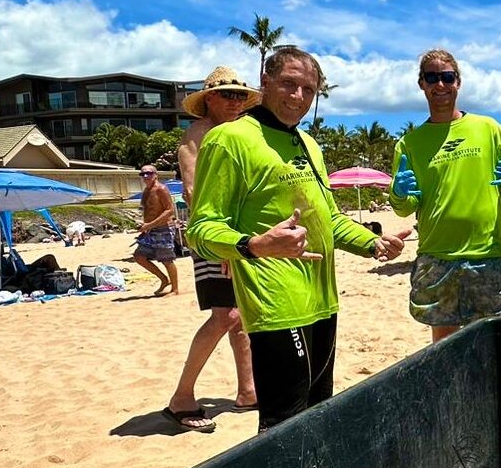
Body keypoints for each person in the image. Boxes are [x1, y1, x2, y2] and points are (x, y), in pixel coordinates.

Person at [186, 46, 407, 432]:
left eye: (309, 89)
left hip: (323, 299)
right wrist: (254, 245)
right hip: (275, 303)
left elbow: (330, 219)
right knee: (283, 425)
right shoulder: (230, 140)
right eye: (288, 84)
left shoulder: (309, 145)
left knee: (319, 413)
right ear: (265, 83)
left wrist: (372, 242)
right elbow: (201, 230)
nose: (298, 97)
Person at [389, 48, 501, 342]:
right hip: (438, 257)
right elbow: (404, 207)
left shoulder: (488, 128)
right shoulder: (409, 143)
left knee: (496, 340)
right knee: (444, 342)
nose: (440, 85)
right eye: (432, 78)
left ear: (458, 82)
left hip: (489, 254)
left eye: (447, 77)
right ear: (421, 84)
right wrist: (399, 193)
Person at [165, 66, 261, 432]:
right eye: (227, 94)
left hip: (236, 236)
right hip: (214, 238)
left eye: (240, 95)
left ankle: (248, 390)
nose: (236, 101)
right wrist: (225, 247)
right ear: (209, 99)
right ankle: (182, 397)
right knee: (226, 317)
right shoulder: (197, 135)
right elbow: (194, 193)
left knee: (240, 315)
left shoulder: (234, 134)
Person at [134, 164, 180, 296]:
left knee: (166, 259)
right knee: (139, 256)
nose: (146, 176)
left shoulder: (161, 189)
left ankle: (175, 289)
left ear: (156, 175)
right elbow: (145, 209)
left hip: (163, 228)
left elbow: (169, 210)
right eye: (143, 174)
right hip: (150, 230)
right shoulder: (146, 191)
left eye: (149, 173)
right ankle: (164, 279)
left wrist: (149, 225)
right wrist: (143, 225)